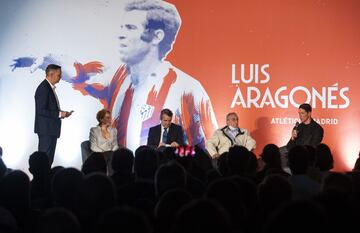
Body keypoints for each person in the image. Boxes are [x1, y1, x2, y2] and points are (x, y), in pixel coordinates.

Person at [12, 0, 218, 151]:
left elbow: (204, 147)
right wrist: (45, 59)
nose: (120, 34)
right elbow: (78, 72)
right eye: (121, 27)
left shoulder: (188, 90)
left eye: (129, 28)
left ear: (157, 36)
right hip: (121, 175)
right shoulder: (118, 77)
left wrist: (175, 150)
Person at [35, 64, 73, 166]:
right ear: (51, 74)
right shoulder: (44, 88)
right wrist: (60, 113)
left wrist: (62, 114)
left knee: (48, 161)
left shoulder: (48, 87)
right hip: (46, 130)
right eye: (58, 75)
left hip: (50, 130)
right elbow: (41, 110)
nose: (60, 77)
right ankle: (41, 181)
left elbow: (48, 109)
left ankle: (45, 180)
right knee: (44, 161)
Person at [90, 109, 119, 175]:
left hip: (111, 154)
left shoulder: (114, 130)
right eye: (107, 117)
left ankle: (112, 178)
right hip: (100, 154)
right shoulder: (94, 130)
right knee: (107, 157)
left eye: (110, 117)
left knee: (113, 156)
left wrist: (111, 151)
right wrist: (104, 152)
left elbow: (115, 145)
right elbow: (93, 146)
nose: (110, 119)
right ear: (101, 119)